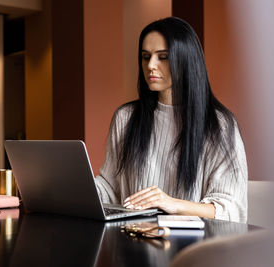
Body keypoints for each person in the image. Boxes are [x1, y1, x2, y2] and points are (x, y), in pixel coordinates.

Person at [95, 17, 248, 223]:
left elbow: (230, 209)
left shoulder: (219, 125)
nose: (150, 65)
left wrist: (171, 203)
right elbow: (111, 188)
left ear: (185, 60)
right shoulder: (125, 117)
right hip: (134, 239)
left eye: (163, 57)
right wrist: (70, 188)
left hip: (195, 246)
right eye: (145, 56)